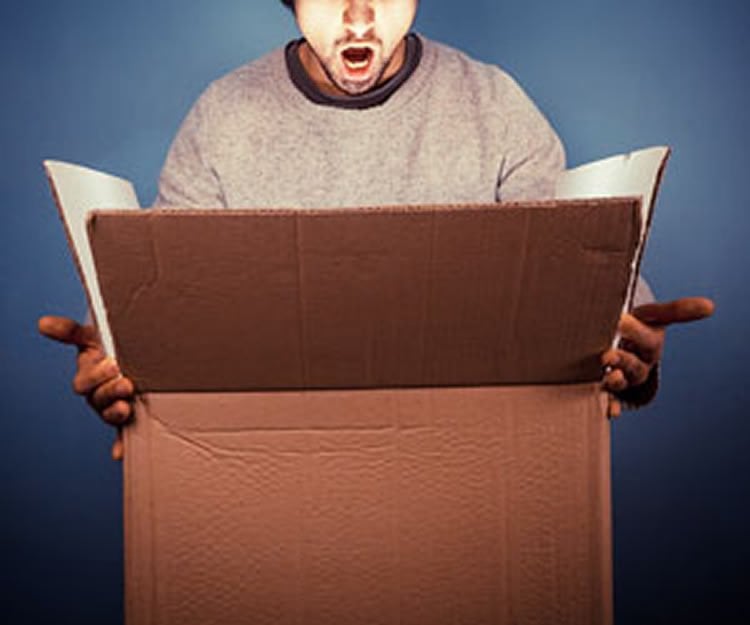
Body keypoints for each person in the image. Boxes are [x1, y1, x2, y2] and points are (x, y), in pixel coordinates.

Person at [39, 0, 714, 460]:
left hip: (465, 474)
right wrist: (127, 362)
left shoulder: (494, 107)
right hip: (279, 474)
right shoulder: (223, 121)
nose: (359, 15)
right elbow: (172, 319)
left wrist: (634, 357)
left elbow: (588, 292)